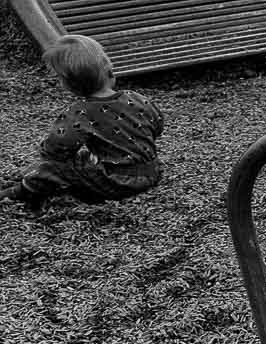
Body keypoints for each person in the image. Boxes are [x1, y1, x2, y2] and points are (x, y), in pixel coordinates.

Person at [1, 35, 165, 212]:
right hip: (151, 173)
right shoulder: (138, 99)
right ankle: (28, 175)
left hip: (116, 182)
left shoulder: (79, 112)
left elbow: (56, 149)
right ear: (108, 67)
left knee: (52, 168)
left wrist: (46, 151)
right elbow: (157, 125)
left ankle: (22, 191)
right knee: (82, 158)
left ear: (68, 84)